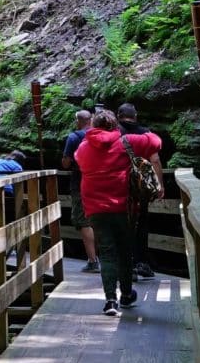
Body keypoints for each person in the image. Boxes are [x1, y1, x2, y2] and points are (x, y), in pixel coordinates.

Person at [72, 112, 155, 316]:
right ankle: (126, 295)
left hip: (95, 209)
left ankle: (111, 301)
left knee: (107, 253)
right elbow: (155, 142)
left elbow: (78, 162)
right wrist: (138, 132)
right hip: (123, 208)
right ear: (114, 125)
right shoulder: (127, 142)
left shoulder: (82, 148)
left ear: (93, 125)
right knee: (125, 252)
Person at [116, 103, 169, 281]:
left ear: (118, 115)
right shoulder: (145, 133)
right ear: (135, 116)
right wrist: (159, 184)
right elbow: (155, 160)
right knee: (142, 223)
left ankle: (127, 265)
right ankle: (142, 263)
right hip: (141, 187)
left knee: (124, 225)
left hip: (121, 186)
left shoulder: (116, 133)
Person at [60, 110, 100, 273]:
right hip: (102, 182)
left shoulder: (74, 137)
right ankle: (109, 256)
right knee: (100, 218)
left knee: (83, 221)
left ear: (78, 121)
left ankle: (92, 260)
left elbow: (66, 163)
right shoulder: (102, 134)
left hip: (82, 183)